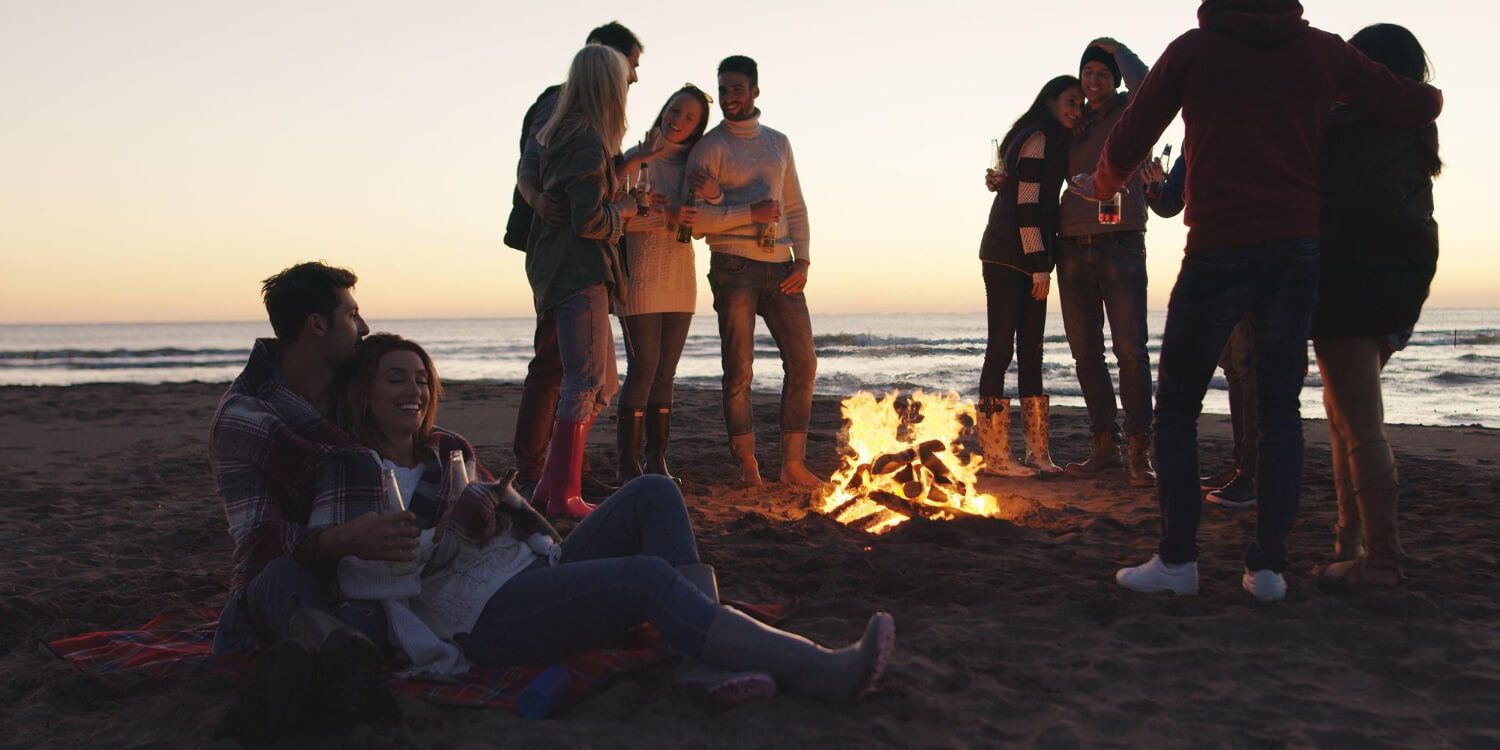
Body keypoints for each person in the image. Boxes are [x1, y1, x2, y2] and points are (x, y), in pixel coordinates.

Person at [1078, 0, 1443, 601]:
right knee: (1280, 413)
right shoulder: (1323, 50)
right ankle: (1268, 570)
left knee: (1175, 407)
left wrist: (1105, 185)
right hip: (1295, 251)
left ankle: (1178, 562)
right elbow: (1422, 103)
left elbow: (1130, 136)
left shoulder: (1194, 50)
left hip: (1219, 245)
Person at [339, 334, 898, 709]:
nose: (413, 391)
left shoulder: (448, 448)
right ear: (364, 392)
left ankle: (701, 663)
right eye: (395, 379)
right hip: (479, 617)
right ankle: (821, 669)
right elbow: (371, 575)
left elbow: (510, 512)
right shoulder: (355, 470)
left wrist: (495, 508)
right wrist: (452, 530)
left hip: (528, 569)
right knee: (646, 577)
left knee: (652, 490)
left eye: (419, 379)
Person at [210, 262, 410, 742]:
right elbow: (259, 545)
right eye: (352, 315)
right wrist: (342, 539)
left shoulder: (353, 397)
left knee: (358, 611)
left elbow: (423, 442)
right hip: (278, 592)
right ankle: (346, 671)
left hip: (361, 583)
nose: (363, 329)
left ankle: (305, 674)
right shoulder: (247, 416)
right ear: (316, 325)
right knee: (285, 577)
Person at [1311, 23, 1442, 586]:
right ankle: (1351, 545)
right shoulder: (1411, 130)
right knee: (1345, 418)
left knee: (1358, 423)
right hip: (1397, 285)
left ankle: (1381, 558)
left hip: (1350, 284)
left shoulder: (1349, 131)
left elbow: (1331, 202)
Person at [507, 21, 652, 503]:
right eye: (628, 68)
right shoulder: (582, 129)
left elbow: (536, 168)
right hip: (575, 264)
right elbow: (587, 216)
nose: (632, 79)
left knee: (597, 379)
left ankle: (554, 478)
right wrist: (626, 212)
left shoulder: (563, 125)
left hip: (558, 262)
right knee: (578, 377)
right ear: (605, 71)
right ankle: (557, 484)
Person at [685, 55, 819, 488]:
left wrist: (803, 258)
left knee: (804, 362)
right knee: (739, 369)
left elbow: (795, 206)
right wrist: (749, 212)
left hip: (781, 266)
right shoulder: (708, 147)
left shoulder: (779, 143)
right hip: (733, 266)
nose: (729, 98)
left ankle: (792, 465)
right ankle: (747, 465)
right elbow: (696, 222)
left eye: (737, 89)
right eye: (723, 90)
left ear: (755, 91)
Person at [1055, 38, 1158, 487]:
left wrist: (1118, 50)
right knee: (1085, 353)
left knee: (1130, 351)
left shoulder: (1128, 112)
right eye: (1087, 73)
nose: (1092, 81)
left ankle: (1140, 450)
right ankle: (1104, 446)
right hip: (1072, 244)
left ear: (1114, 80)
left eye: (1101, 73)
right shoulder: (1072, 120)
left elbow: (1150, 86)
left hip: (1121, 242)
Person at [975, 75, 1083, 478]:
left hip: (1023, 253)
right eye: (1071, 101)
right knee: (1001, 349)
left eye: (1081, 106)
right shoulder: (1038, 137)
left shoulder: (1047, 137)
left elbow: (1016, 189)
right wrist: (1038, 261)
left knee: (1032, 351)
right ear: (1051, 100)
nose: (1076, 110)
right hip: (1009, 255)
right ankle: (996, 457)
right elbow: (1026, 204)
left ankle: (1038, 454)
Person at [1144, 154, 1259, 508]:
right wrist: (1155, 185)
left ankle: (1252, 475)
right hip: (1210, 258)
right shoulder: (1194, 140)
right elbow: (1169, 204)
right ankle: (1242, 466)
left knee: (1249, 364)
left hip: (1254, 252)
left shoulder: (1254, 124)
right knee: (1234, 367)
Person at [615, 85, 713, 485]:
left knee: (666, 372)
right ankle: (628, 464)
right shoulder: (636, 157)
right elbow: (614, 215)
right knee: (643, 367)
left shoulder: (693, 165)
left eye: (689, 118)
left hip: (679, 276)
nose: (678, 120)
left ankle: (657, 460)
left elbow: (703, 223)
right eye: (675, 110)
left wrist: (710, 196)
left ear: (697, 128)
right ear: (664, 109)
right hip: (639, 273)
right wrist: (662, 214)